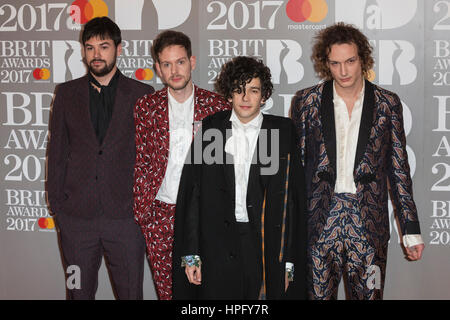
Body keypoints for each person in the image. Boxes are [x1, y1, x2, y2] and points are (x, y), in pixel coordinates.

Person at [290, 22, 424, 300]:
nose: (343, 71)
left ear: (362, 58)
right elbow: (296, 170)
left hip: (368, 225)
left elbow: (399, 169)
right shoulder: (307, 101)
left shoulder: (387, 103)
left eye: (350, 61)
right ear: (326, 63)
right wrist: (289, 233)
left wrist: (410, 231)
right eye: (335, 63)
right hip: (319, 225)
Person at [172, 56, 307, 300]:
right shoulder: (212, 129)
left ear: (264, 96)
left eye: (253, 91)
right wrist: (191, 255)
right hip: (217, 245)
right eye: (238, 90)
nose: (245, 98)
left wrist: (289, 263)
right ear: (228, 94)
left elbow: (293, 203)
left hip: (263, 244)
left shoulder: (281, 132)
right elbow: (193, 194)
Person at [47, 16, 154, 299]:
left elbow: (152, 158)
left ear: (119, 49)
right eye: (90, 47)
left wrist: (141, 209)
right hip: (76, 222)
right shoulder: (66, 94)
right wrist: (59, 208)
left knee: (131, 293)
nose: (96, 54)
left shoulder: (142, 95)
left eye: (103, 46)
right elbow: (56, 152)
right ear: (83, 51)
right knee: (77, 293)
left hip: (126, 221)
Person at [133, 30, 230, 300]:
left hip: (202, 215)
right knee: (167, 293)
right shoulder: (145, 107)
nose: (174, 70)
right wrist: (145, 212)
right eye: (167, 64)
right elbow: (142, 161)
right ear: (158, 69)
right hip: (159, 215)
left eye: (180, 62)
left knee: (203, 292)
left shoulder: (216, 106)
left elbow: (222, 168)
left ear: (192, 62)